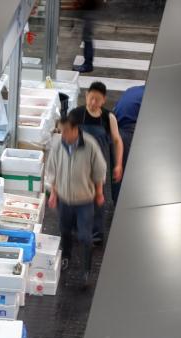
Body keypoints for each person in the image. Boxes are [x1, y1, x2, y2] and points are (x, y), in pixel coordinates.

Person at [46, 110, 107, 288]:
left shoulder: (90, 145)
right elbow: (52, 170)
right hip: (64, 199)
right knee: (64, 230)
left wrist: (100, 192)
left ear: (75, 129)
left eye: (65, 131)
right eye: (60, 131)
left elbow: (99, 170)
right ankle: (66, 257)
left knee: (85, 236)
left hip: (84, 200)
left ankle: (86, 270)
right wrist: (54, 194)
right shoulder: (58, 145)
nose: (62, 135)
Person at [70, 81, 124, 244]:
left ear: (104, 100)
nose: (93, 103)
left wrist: (118, 164)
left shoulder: (109, 118)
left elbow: (117, 141)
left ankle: (96, 235)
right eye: (91, 98)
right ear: (86, 96)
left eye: (97, 99)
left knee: (98, 201)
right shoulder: (76, 114)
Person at [111, 84, 144, 204]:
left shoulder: (134, 89)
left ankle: (117, 200)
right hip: (126, 128)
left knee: (117, 165)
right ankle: (122, 203)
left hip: (115, 123)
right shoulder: (149, 97)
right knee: (123, 168)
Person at [73, 0, 99, 73]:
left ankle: (88, 65)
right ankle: (87, 64)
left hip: (90, 11)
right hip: (89, 11)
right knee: (86, 39)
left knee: (88, 39)